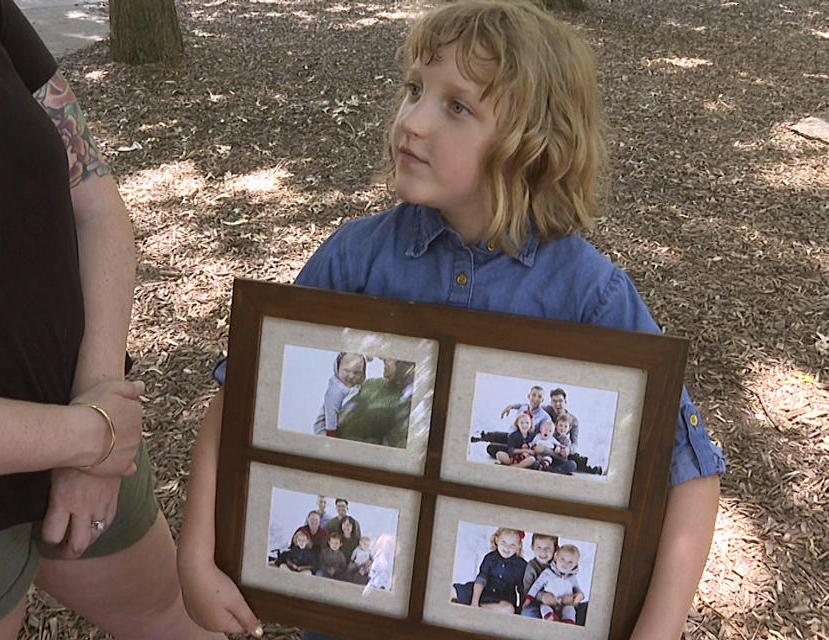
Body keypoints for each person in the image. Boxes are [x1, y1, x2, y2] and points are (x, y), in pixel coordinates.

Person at [178, 2, 724, 639]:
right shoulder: (353, 259)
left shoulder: (591, 297)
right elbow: (240, 401)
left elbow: (689, 471)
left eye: (456, 106)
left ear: (531, 144)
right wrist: (196, 555)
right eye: (413, 90)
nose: (411, 121)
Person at [0, 1, 221, 638]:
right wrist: (87, 439)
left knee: (175, 619)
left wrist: (96, 410)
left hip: (85, 409)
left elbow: (96, 203)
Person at [451, 527, 526, 613]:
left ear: (518, 546)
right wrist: (474, 601)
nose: (507, 547)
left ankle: (475, 607)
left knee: (509, 609)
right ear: (497, 540)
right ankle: (473, 604)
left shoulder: (521, 565)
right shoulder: (490, 558)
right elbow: (481, 580)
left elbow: (522, 590)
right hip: (481, 591)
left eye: (512, 545)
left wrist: (521, 610)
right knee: (452, 591)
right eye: (503, 542)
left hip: (502, 598)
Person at [523, 544, 585, 624]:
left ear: (575, 564)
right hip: (548, 603)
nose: (565, 564)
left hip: (565, 605)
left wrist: (576, 598)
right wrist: (528, 599)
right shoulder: (548, 573)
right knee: (544, 608)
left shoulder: (572, 578)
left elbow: (579, 592)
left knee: (570, 610)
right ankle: (550, 618)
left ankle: (568, 622)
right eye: (562, 559)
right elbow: (536, 586)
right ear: (556, 557)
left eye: (570, 562)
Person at [312, 352, 365, 436]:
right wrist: (331, 434)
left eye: (356, 373)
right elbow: (331, 414)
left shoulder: (356, 386)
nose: (351, 376)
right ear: (337, 369)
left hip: (342, 421)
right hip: (326, 427)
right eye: (347, 371)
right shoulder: (335, 391)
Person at [521, 534, 558, 619]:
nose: (543, 552)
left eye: (547, 548)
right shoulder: (531, 566)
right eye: (539, 547)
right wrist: (542, 596)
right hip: (536, 604)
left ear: (555, 548)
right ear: (532, 547)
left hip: (556, 603)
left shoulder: (559, 564)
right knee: (527, 612)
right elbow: (526, 590)